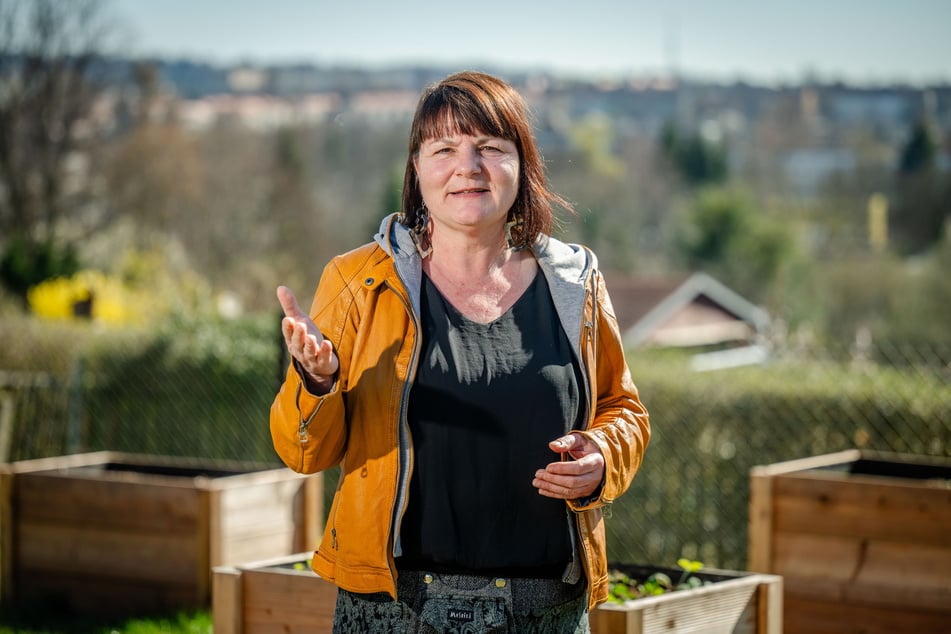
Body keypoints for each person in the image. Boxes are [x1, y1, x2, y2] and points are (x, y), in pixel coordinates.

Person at [270, 70, 650, 633]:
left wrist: (600, 457)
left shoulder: (576, 283)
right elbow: (303, 453)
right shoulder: (357, 282)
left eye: (489, 148)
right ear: (417, 169)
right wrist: (317, 382)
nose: (467, 167)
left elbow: (626, 412)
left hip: (546, 611)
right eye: (444, 148)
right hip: (395, 610)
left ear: (522, 166)